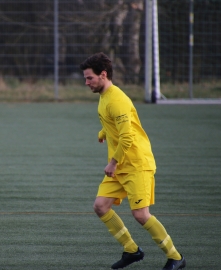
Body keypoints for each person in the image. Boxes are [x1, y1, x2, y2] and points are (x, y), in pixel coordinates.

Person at [79, 52, 185, 270]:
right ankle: (131, 250)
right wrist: (103, 132)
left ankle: (176, 257)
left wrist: (113, 163)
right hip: (121, 165)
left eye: (89, 78)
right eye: (85, 78)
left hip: (136, 164)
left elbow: (127, 136)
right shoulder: (104, 96)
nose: (86, 82)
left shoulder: (117, 100)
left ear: (103, 75)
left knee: (141, 215)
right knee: (100, 206)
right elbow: (116, 126)